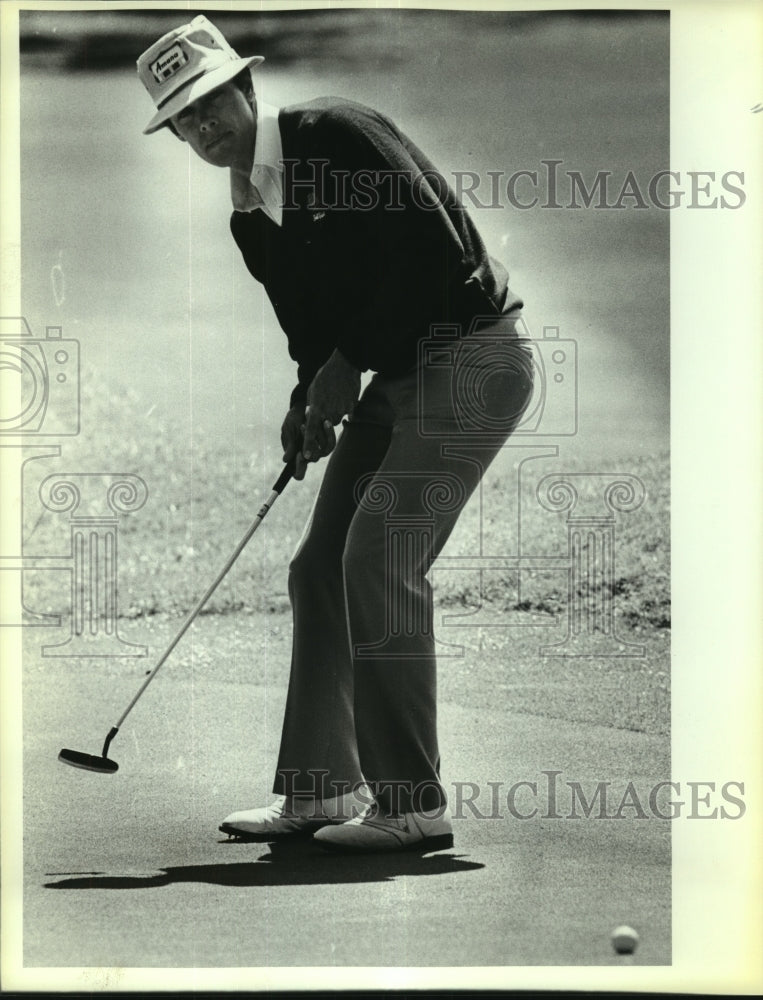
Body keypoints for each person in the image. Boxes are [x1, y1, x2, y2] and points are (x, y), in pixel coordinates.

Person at [137, 15, 533, 853]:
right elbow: (311, 336)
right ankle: (318, 791)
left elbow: (434, 254)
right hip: (392, 379)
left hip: (471, 362)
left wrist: (342, 365)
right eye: (185, 117)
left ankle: (412, 804)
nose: (205, 127)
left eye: (212, 102)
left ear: (246, 88)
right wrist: (304, 401)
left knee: (378, 557)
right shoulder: (249, 215)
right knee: (318, 568)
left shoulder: (335, 135)